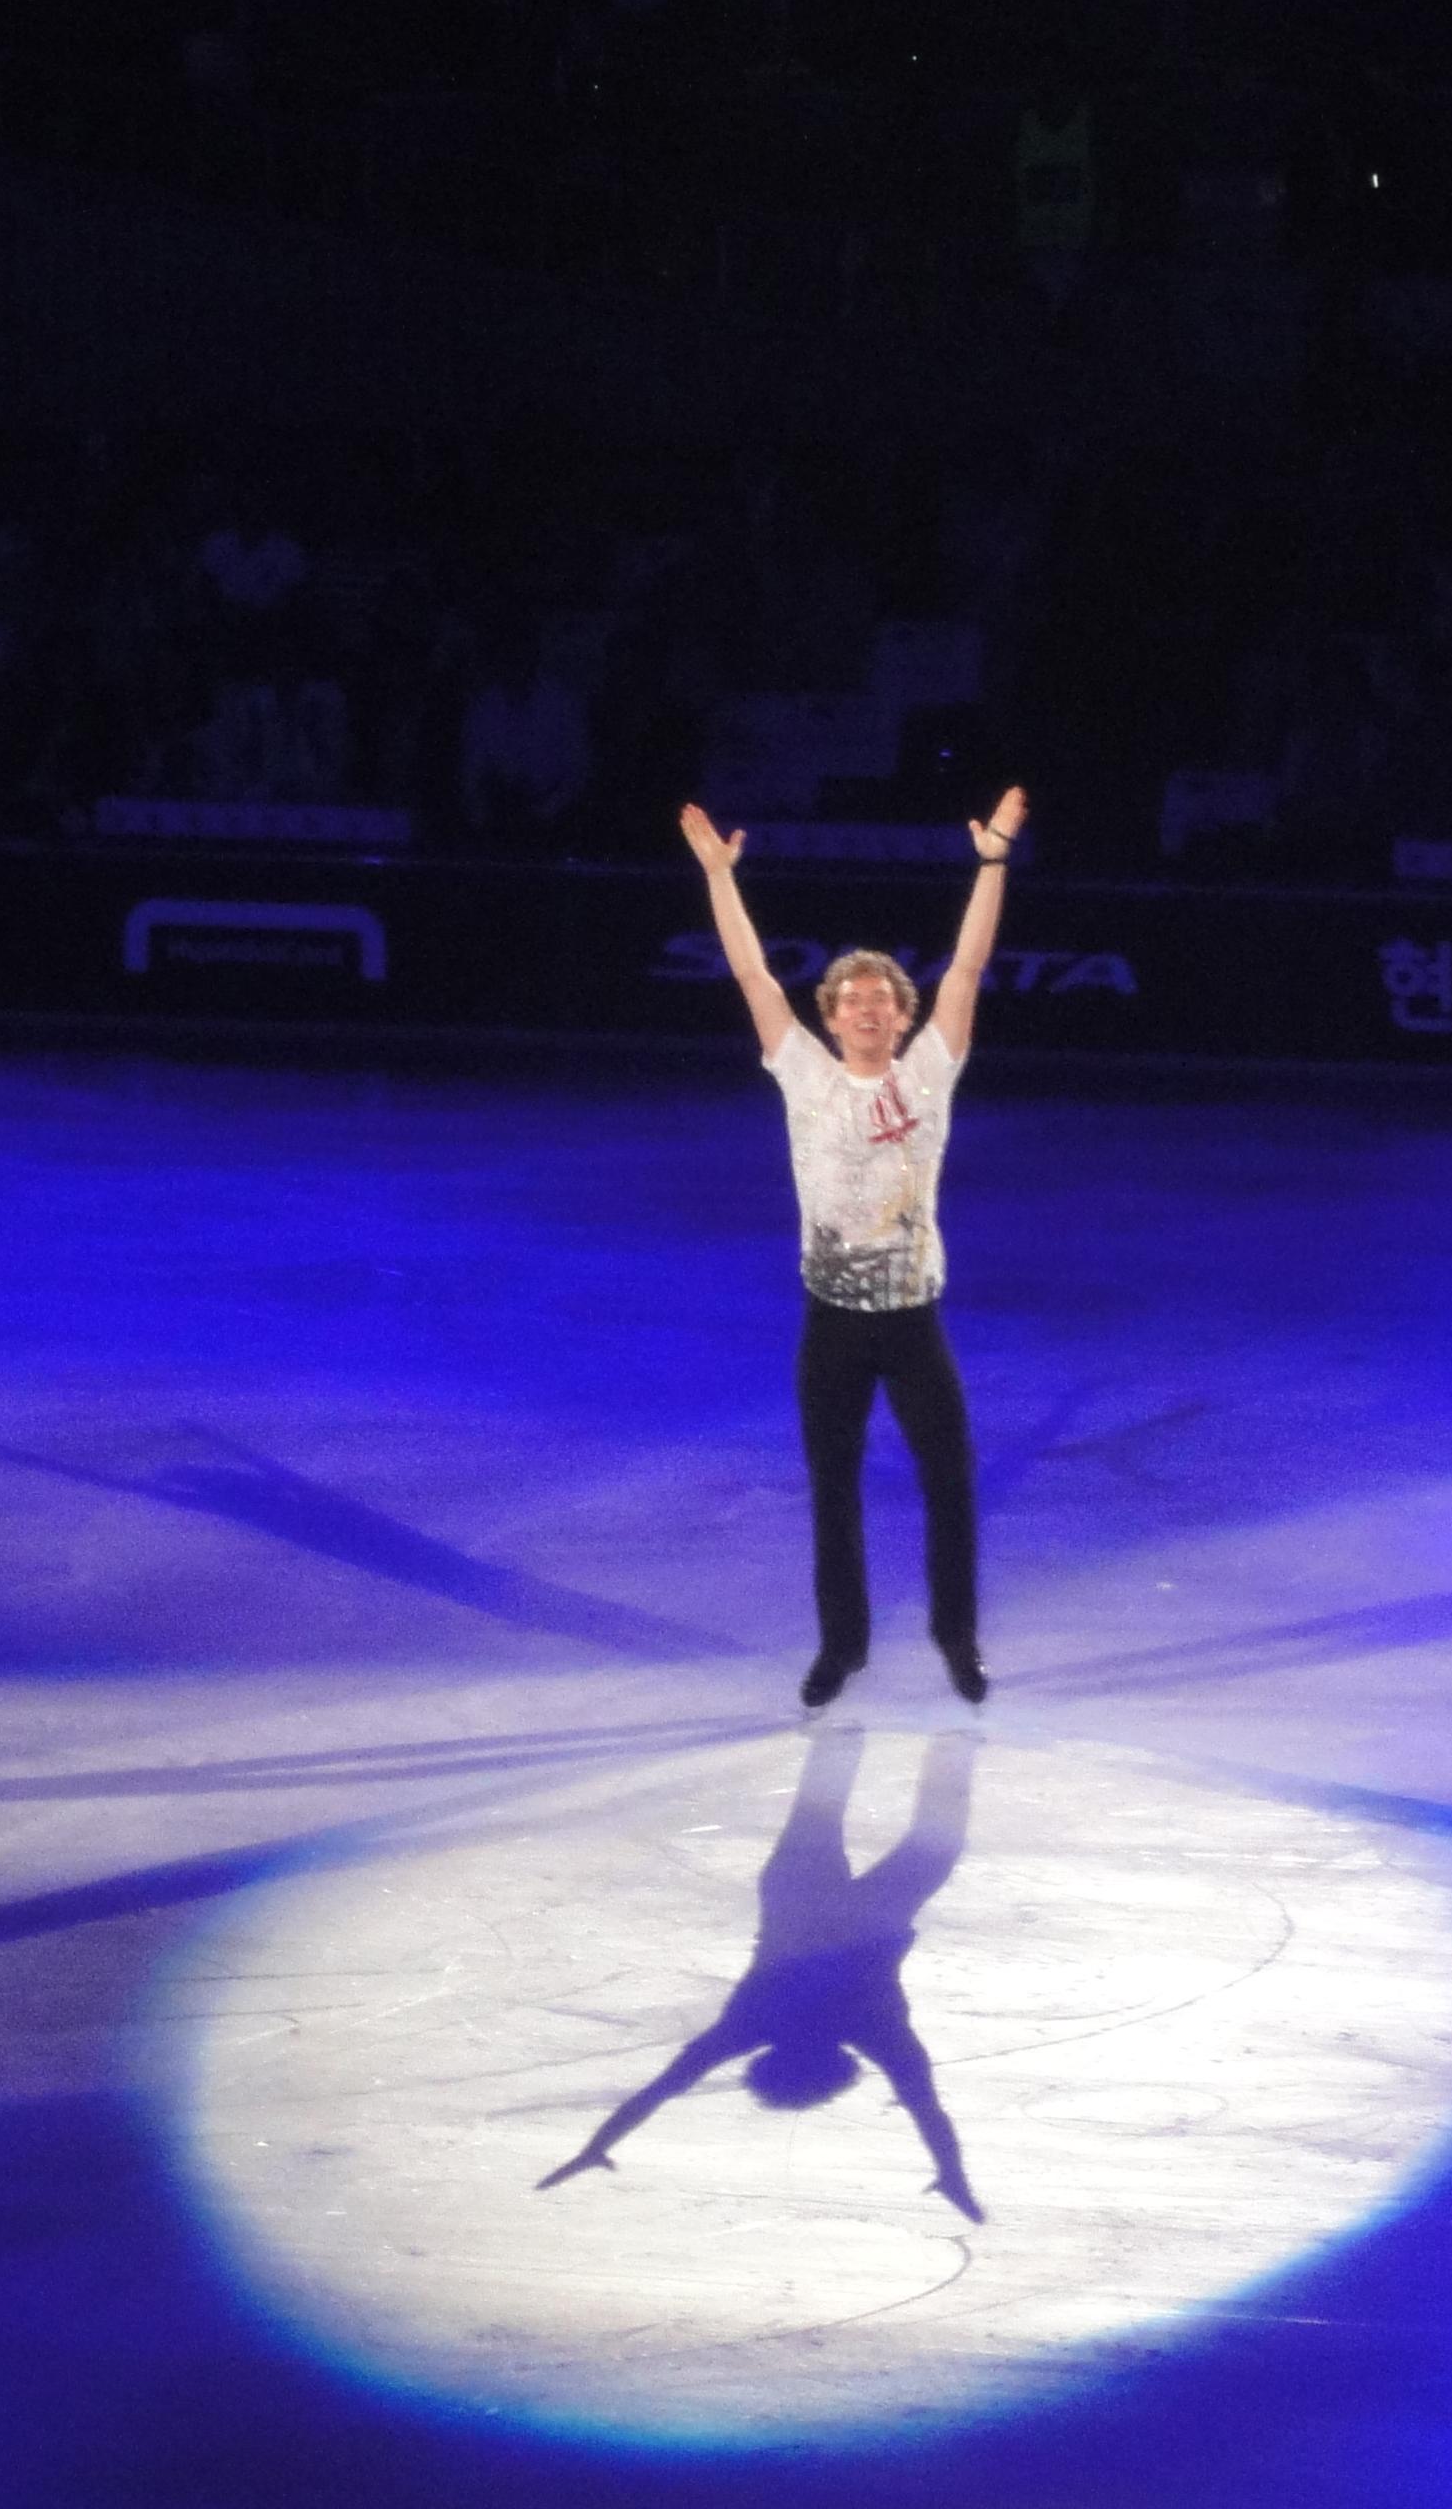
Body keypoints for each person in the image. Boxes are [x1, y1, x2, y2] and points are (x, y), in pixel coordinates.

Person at [677, 784, 1028, 1709]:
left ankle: (956, 1636)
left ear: (903, 1017)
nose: (868, 1012)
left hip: (914, 1324)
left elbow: (967, 967)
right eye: (852, 1002)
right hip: (830, 1323)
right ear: (830, 1018)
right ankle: (843, 1646)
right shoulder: (805, 1076)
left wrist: (992, 861)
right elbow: (754, 975)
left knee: (949, 1479)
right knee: (833, 1488)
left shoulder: (929, 1073)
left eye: (882, 1002)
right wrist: (720, 877)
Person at [537, 1725, 982, 2218]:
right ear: (767, 2065)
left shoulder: (878, 2035)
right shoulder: (747, 2028)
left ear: (837, 2071)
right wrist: (598, 2144)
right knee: (819, 1813)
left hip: (866, 1915)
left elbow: (925, 2107)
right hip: (796, 1896)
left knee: (933, 1844)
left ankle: (949, 1747)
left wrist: (951, 2170)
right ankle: (842, 1736)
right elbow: (663, 2088)